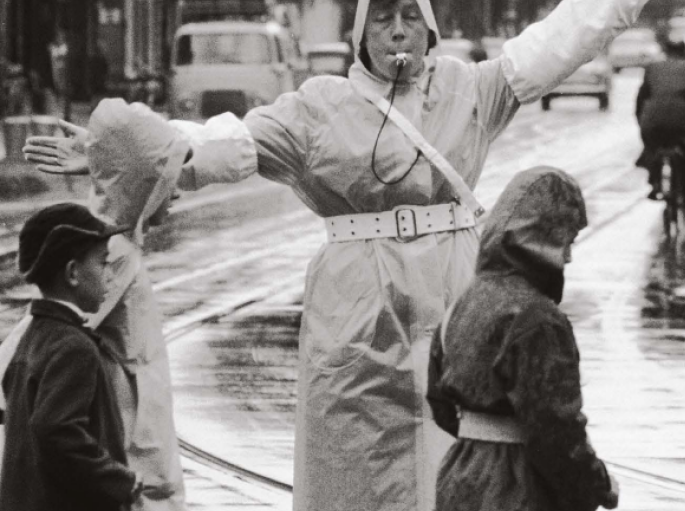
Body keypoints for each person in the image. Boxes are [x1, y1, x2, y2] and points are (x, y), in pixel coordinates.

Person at [23, 0, 650, 509]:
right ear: (361, 33)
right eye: (381, 17)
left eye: (409, 15)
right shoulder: (318, 107)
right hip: (354, 310)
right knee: (353, 456)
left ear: (429, 29)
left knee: (453, 455)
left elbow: (564, 38)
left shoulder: (470, 87)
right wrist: (120, 148)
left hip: (451, 297)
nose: (397, 29)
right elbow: (225, 142)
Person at [426, 166, 619, 511]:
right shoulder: (537, 319)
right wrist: (596, 486)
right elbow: (555, 428)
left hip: (460, 478)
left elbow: (440, 406)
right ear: (541, 240)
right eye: (566, 242)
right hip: (519, 487)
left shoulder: (464, 304)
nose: (570, 256)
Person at [0, 203, 140, 511]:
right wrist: (119, 481)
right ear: (73, 273)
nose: (110, 277)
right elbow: (56, 430)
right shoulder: (74, 347)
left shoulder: (31, 338)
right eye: (103, 264)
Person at [636, 40, 685, 208]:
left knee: (652, 149)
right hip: (682, 122)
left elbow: (641, 99)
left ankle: (655, 182)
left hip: (652, 120)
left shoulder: (652, 68)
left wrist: (641, 121)